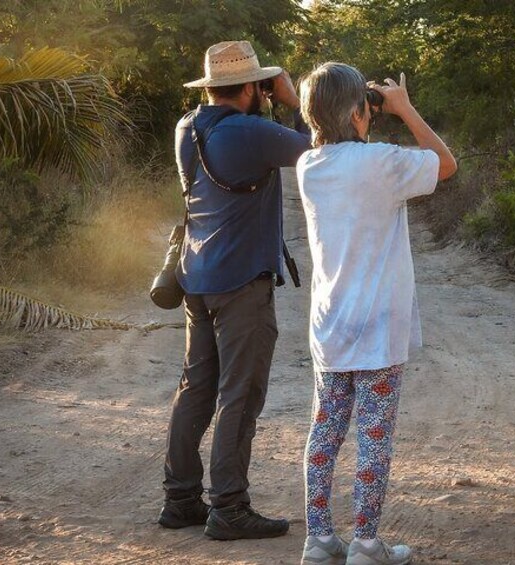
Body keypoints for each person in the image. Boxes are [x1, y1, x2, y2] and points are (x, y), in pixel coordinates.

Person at [295, 63, 457, 564]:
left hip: (332, 325)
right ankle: (366, 544)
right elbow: (445, 164)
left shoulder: (308, 166)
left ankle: (319, 541)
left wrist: (363, 112)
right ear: (360, 111)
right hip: (379, 328)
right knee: (373, 435)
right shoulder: (383, 164)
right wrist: (404, 108)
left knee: (324, 432)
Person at [157, 40, 310, 540]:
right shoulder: (249, 131)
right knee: (239, 395)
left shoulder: (188, 126)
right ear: (248, 87)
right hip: (242, 283)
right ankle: (229, 507)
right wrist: (294, 102)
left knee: (195, 389)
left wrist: (268, 99)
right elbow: (317, 151)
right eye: (260, 85)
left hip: (195, 278)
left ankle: (180, 499)